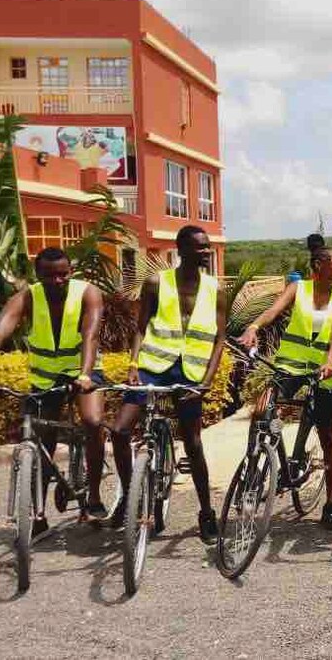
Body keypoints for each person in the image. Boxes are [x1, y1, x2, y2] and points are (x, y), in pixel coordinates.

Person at [0, 247, 108, 535]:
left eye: (63, 274)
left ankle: (93, 497)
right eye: (49, 275)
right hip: (44, 378)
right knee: (43, 443)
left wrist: (84, 374)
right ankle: (37, 513)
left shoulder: (88, 293)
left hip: (84, 373)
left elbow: (90, 334)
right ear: (37, 275)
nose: (57, 281)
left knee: (92, 422)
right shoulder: (26, 297)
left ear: (71, 272)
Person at [112, 226, 227, 543]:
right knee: (120, 430)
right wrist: (133, 365)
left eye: (207, 247)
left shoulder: (215, 289)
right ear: (181, 249)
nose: (205, 251)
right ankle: (129, 499)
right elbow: (140, 328)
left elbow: (219, 339)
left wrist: (206, 381)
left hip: (190, 372)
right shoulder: (155, 283)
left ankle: (206, 512)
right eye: (199, 247)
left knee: (193, 441)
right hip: (152, 367)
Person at [236, 234, 332, 530]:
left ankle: (331, 503)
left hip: (326, 371)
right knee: (263, 410)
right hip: (291, 364)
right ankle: (255, 469)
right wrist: (254, 327)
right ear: (318, 265)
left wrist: (330, 360)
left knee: (328, 437)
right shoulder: (298, 288)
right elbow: (274, 311)